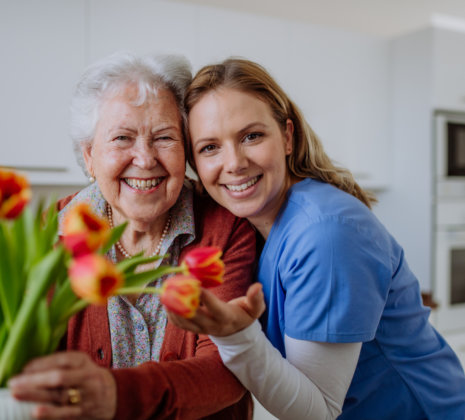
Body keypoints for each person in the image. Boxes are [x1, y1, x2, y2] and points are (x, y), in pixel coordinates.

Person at [169, 58, 465, 419]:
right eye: (209, 147)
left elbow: (318, 411)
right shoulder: (254, 226)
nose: (234, 163)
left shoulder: (325, 234)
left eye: (251, 136)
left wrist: (235, 336)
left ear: (288, 137)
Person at [8, 53, 257, 419]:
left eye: (163, 138)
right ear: (90, 156)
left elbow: (230, 367)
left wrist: (117, 394)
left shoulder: (226, 228)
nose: (144, 158)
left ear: (185, 150)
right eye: (122, 138)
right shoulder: (53, 233)